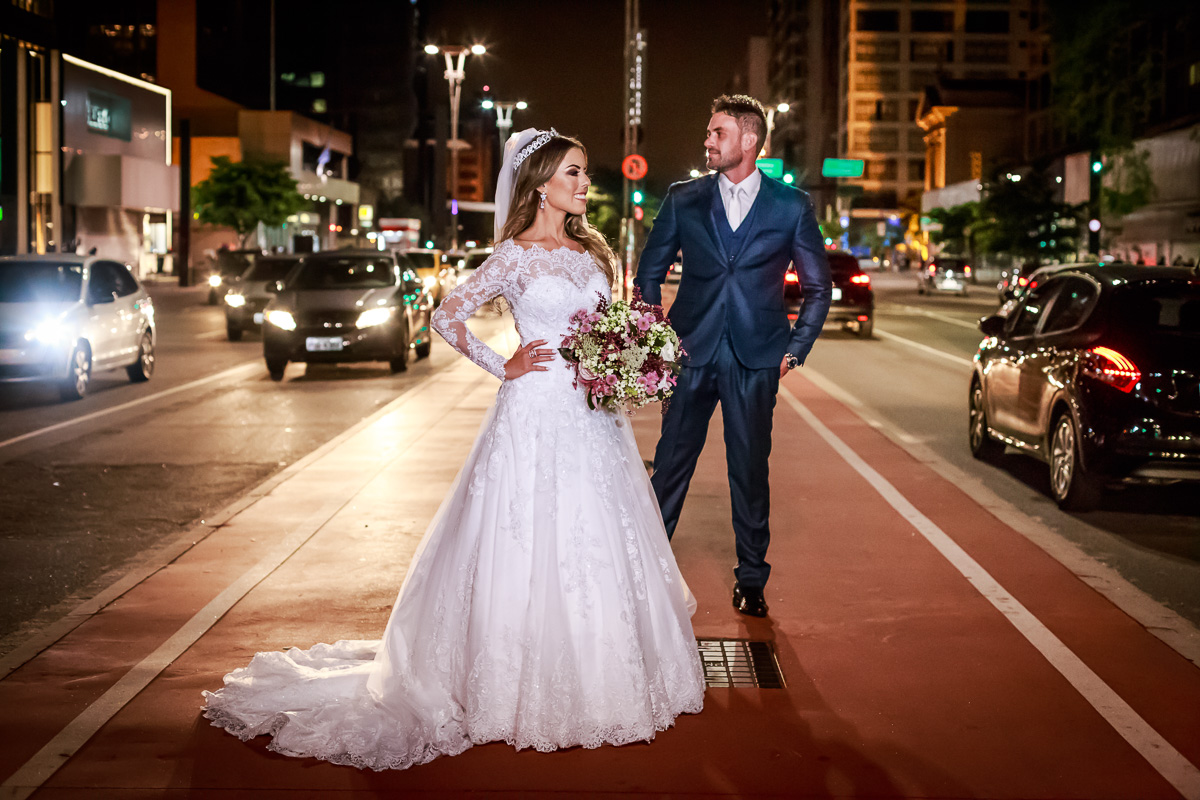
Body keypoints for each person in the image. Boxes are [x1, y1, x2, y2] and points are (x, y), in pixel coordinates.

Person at [202, 128, 704, 770]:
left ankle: (605, 673)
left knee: (595, 535)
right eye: (574, 174)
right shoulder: (513, 256)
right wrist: (505, 365)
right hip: (533, 409)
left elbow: (604, 328)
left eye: (584, 174)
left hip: (590, 415)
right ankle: (507, 685)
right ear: (541, 183)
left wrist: (623, 364)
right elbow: (446, 316)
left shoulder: (593, 254)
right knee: (523, 537)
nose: (585, 184)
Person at [634, 95, 831, 619]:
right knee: (671, 465)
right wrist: (656, 339)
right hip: (688, 353)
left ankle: (751, 580)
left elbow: (818, 287)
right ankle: (644, 573)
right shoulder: (683, 199)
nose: (706, 142)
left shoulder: (791, 206)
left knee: (749, 471)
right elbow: (647, 274)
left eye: (716, 133)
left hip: (756, 358)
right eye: (707, 132)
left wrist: (797, 348)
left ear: (748, 140)